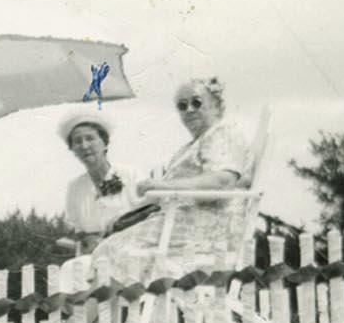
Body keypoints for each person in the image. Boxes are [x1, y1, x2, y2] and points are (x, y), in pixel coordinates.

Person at [77, 77, 252, 286]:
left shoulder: (224, 133)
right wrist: (123, 215)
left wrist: (163, 186)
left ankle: (104, 317)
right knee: (107, 250)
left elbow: (223, 180)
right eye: (182, 105)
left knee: (112, 252)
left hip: (206, 230)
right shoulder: (191, 146)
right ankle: (108, 317)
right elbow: (163, 196)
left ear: (216, 105)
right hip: (180, 226)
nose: (189, 110)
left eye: (197, 102)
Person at [57, 111, 139, 242]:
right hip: (93, 253)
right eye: (77, 141)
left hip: (131, 246)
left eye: (90, 138)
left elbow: (149, 214)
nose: (84, 146)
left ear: (105, 143)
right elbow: (76, 228)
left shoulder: (130, 174)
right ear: (73, 150)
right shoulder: (75, 187)